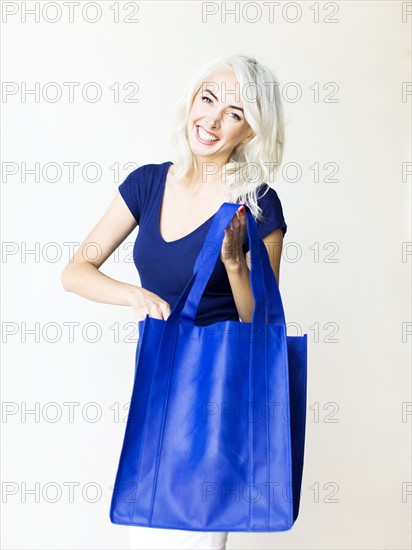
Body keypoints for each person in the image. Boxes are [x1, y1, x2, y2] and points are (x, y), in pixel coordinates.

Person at [60, 53, 287, 549]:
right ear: (190, 101)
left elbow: (263, 322)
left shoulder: (258, 203)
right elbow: (75, 272)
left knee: (203, 532)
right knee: (146, 515)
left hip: (222, 386)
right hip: (159, 373)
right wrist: (135, 296)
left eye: (235, 112)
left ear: (249, 132)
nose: (212, 120)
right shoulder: (147, 183)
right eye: (208, 100)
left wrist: (233, 264)